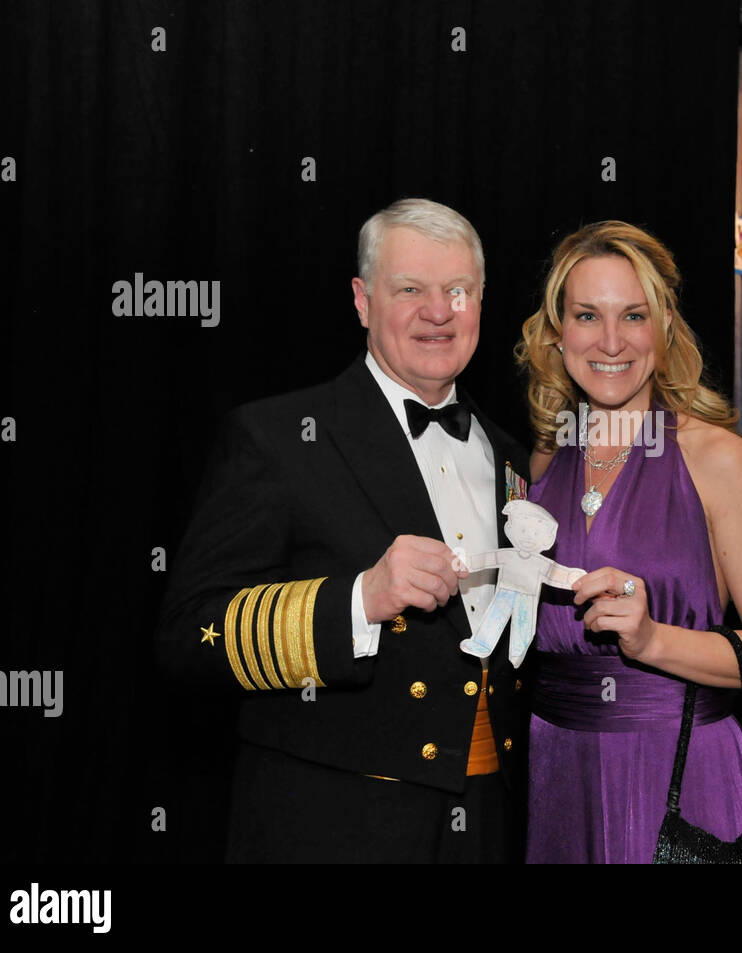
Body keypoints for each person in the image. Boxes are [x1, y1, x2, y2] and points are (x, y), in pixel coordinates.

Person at [156, 198, 530, 862]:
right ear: (362, 301)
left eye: (458, 290)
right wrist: (359, 599)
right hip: (332, 825)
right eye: (409, 289)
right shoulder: (278, 437)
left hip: (486, 819)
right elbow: (190, 636)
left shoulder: (511, 456)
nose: (438, 311)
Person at [515, 221, 742, 863]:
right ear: (558, 331)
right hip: (556, 767)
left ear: (664, 326)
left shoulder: (716, 458)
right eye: (587, 315)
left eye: (634, 316)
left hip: (680, 772)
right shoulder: (542, 464)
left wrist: (653, 641)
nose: (611, 340)